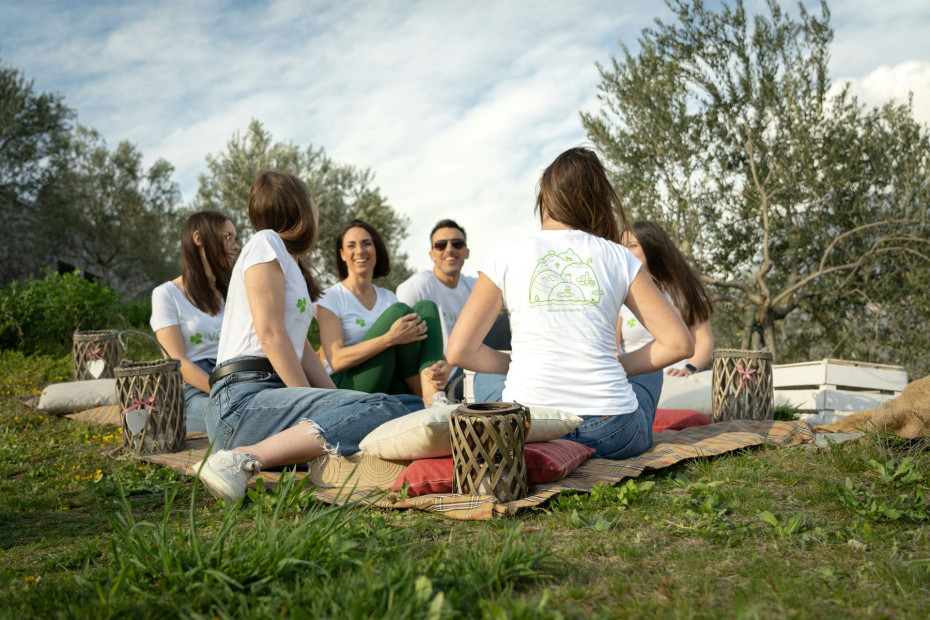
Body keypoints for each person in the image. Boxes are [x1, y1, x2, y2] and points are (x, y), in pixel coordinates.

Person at [447, 147, 693, 460]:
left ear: (543, 190)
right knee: (650, 370)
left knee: (485, 374)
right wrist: (618, 366)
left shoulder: (505, 256)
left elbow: (460, 352)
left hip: (527, 431)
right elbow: (679, 344)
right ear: (597, 199)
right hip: (612, 434)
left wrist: (521, 365)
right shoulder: (619, 256)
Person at [197, 172, 411, 502]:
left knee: (406, 406)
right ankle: (238, 460)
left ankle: (328, 453)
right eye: (311, 198)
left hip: (268, 396)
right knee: (384, 406)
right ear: (299, 206)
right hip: (241, 402)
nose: (316, 207)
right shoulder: (265, 242)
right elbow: (270, 334)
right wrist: (313, 406)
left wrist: (339, 402)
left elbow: (303, 351)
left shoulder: (291, 263)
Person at [316, 219, 446, 404]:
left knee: (427, 308)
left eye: (366, 243)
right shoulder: (330, 297)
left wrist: (440, 365)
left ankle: (432, 395)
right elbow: (336, 361)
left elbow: (407, 349)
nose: (360, 251)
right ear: (343, 254)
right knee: (399, 312)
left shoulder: (388, 297)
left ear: (376, 249)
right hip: (348, 387)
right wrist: (389, 339)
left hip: (388, 380)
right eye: (351, 245)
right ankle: (427, 395)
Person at [151, 211, 239, 433]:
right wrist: (222, 390)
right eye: (228, 237)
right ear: (199, 239)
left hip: (234, 377)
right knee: (235, 416)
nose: (236, 246)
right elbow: (176, 360)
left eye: (235, 239)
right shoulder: (167, 294)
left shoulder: (231, 293)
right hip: (193, 389)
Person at [619, 220, 714, 376]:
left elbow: (704, 340)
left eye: (633, 246)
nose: (625, 252)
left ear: (652, 248)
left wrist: (689, 369)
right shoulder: (620, 292)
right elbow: (613, 348)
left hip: (680, 378)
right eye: (622, 246)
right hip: (637, 379)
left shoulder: (684, 289)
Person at [395, 219, 477, 397]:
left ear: (467, 252)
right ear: (432, 254)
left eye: (457, 243)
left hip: (467, 368)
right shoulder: (416, 287)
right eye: (441, 245)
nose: (449, 249)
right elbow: (402, 343)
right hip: (431, 378)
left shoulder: (475, 288)